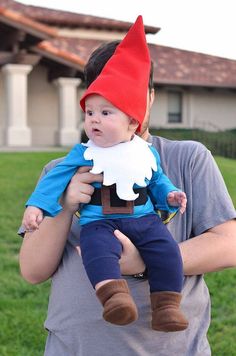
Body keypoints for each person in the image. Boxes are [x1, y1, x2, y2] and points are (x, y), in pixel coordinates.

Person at [18, 18, 236, 356]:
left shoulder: (187, 158)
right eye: (100, 105)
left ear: (149, 98)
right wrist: (66, 204)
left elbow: (229, 245)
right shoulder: (61, 170)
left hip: (171, 348)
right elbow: (32, 271)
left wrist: (144, 261)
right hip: (75, 347)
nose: (108, 114)